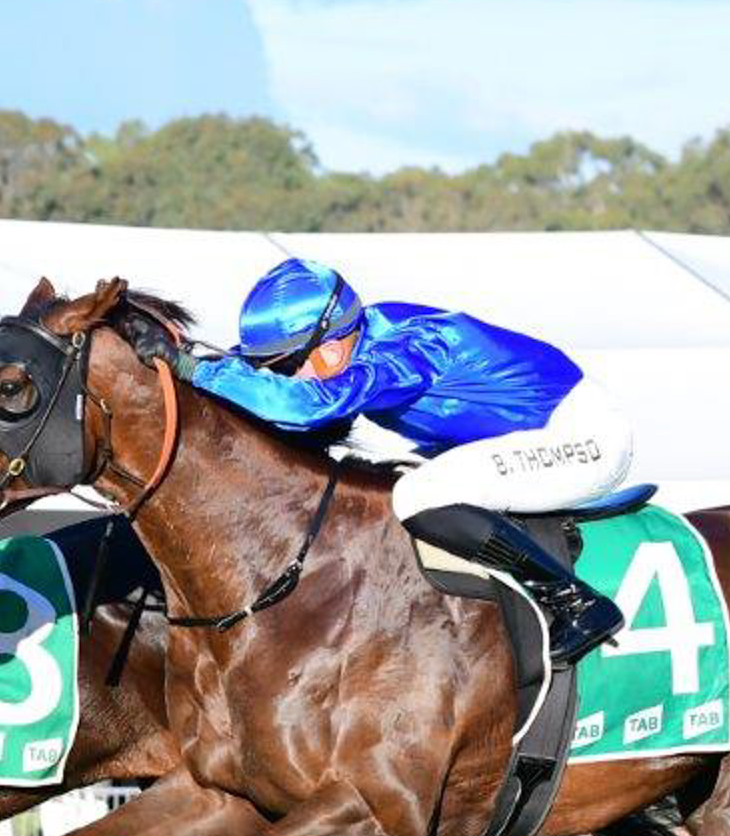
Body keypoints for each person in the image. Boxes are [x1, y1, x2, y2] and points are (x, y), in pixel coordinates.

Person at [150, 257, 632, 663]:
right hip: (507, 436)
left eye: (287, 365)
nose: (282, 376)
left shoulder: (407, 349)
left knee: (420, 495)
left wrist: (190, 369)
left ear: (331, 347)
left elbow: (309, 407)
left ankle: (577, 602)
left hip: (583, 436)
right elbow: (244, 370)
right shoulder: (353, 339)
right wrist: (179, 358)